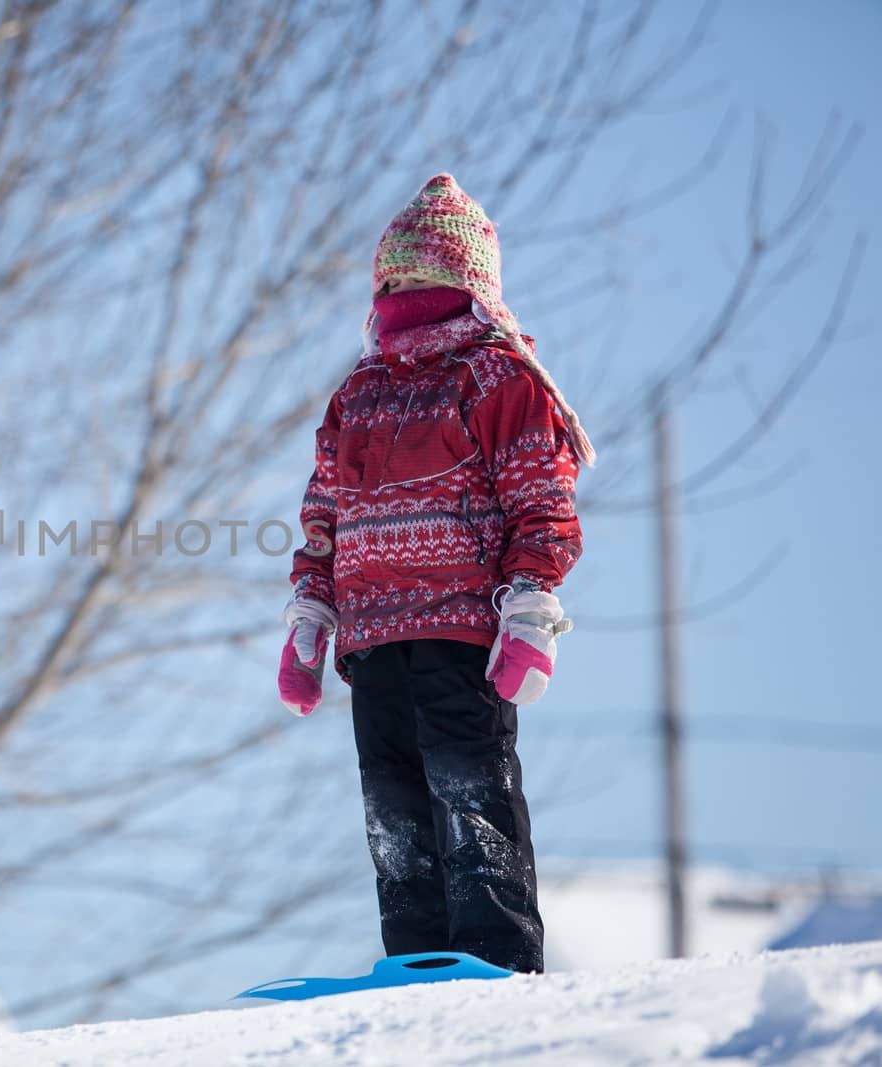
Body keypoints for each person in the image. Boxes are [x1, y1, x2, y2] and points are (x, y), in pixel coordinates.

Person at [275, 173, 595, 975]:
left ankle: (495, 950)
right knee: (392, 797)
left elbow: (540, 499)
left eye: (430, 275)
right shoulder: (359, 393)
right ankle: (416, 958)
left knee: (467, 780)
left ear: (470, 285)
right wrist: (310, 617)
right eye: (398, 276)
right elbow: (324, 516)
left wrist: (530, 609)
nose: (411, 289)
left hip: (461, 627)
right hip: (374, 636)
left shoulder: (498, 379)